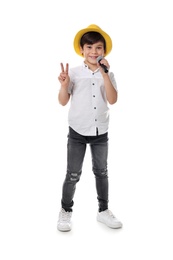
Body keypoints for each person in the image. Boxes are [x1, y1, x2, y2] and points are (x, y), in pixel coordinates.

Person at [57, 24, 122, 232]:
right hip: (77, 130)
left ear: (103, 51)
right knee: (73, 173)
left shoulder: (108, 74)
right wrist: (64, 85)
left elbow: (113, 100)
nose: (94, 52)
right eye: (90, 47)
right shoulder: (74, 73)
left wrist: (105, 74)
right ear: (82, 50)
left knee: (101, 171)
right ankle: (65, 211)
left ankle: (103, 211)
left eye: (98, 48)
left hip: (100, 131)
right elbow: (62, 101)